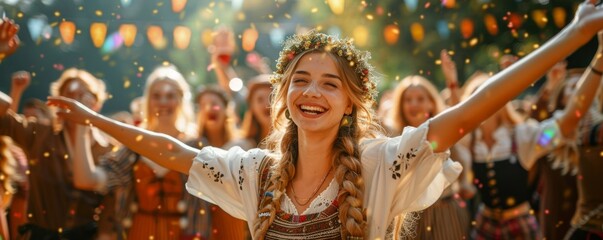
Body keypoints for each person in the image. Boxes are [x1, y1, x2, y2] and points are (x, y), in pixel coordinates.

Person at [47, 3, 603, 238]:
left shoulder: (388, 161)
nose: (313, 92)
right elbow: (168, 149)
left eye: (330, 83)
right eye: (301, 81)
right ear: (285, 95)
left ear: (351, 105)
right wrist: (94, 118)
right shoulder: (256, 174)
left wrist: (575, 38)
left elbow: (472, 117)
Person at [69, 65, 197, 240]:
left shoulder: (197, 147)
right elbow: (85, 179)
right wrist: (83, 126)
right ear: (148, 101)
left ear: (181, 99)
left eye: (170, 96)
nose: (163, 102)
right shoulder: (134, 147)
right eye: (156, 96)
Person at [0, 68, 113, 239]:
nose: (77, 101)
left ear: (96, 104)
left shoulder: (108, 150)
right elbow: (5, 120)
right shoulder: (40, 134)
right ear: (58, 104)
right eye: (69, 95)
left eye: (83, 95)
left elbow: (110, 209)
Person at [189, 87, 249, 239]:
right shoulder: (191, 147)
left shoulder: (243, 147)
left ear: (226, 109)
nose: (209, 108)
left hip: (235, 223)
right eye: (203, 105)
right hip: (199, 225)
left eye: (214, 104)